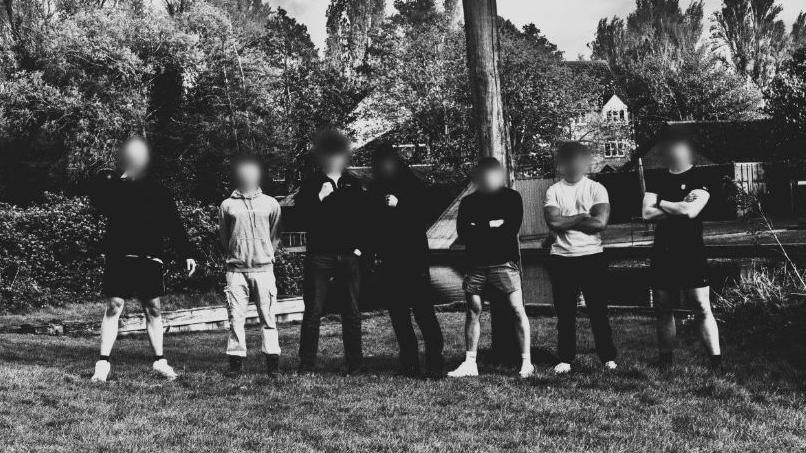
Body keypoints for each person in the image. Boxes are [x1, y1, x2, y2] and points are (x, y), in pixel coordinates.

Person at [89, 137, 197, 382]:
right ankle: (103, 364)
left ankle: (160, 362)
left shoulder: (158, 188)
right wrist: (121, 181)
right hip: (120, 255)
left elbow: (174, 222)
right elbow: (100, 203)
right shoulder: (115, 185)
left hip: (150, 256)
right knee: (114, 305)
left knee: (154, 309)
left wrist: (187, 253)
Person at [448, 157, 534, 379]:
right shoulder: (468, 202)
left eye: (491, 174)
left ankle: (527, 363)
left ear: (498, 175)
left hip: (505, 262)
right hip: (475, 264)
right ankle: (470, 363)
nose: (487, 179)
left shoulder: (512, 198)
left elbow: (510, 229)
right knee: (473, 310)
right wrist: (493, 225)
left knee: (517, 309)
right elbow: (465, 233)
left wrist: (481, 227)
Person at [642, 130, 722, 369]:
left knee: (700, 305)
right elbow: (647, 213)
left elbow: (690, 212)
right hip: (663, 252)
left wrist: (662, 203)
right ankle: (665, 362)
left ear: (688, 150)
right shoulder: (657, 179)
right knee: (664, 307)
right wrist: (677, 206)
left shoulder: (701, 177)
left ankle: (716, 362)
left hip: (691, 251)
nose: (673, 150)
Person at [368, 146, 444, 378]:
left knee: (423, 313)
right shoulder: (375, 189)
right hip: (390, 262)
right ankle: (409, 363)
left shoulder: (413, 185)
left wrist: (400, 205)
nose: (384, 168)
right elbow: (371, 225)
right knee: (399, 316)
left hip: (413, 260)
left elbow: (427, 213)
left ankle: (434, 362)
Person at [296, 129, 367, 375]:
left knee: (352, 312)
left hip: (349, 256)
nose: (334, 159)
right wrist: (319, 197)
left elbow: (365, 219)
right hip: (320, 255)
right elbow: (301, 218)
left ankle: (355, 365)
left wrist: (359, 250)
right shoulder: (311, 184)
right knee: (313, 311)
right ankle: (307, 366)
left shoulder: (353, 183)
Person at [544, 142, 617, 375]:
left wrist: (568, 220)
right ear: (562, 164)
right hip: (562, 258)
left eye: (578, 160)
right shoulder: (553, 191)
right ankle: (565, 358)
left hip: (593, 257)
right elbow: (553, 222)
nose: (574, 164)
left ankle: (607, 358)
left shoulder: (597, 189)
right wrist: (583, 216)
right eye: (569, 160)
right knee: (565, 314)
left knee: (599, 311)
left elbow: (600, 223)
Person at [219, 154, 283, 378]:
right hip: (236, 272)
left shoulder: (271, 203)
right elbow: (224, 237)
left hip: (264, 270)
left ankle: (272, 365)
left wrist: (265, 254)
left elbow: (275, 235)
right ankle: (235, 365)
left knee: (268, 318)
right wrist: (236, 254)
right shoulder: (227, 205)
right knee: (236, 319)